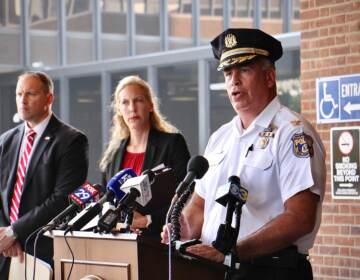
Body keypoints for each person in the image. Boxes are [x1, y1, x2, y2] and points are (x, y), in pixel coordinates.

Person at [161, 28, 326, 280]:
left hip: (271, 270)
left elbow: (300, 217)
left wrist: (233, 251)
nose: (234, 80)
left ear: (269, 77)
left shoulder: (293, 133)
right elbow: (199, 205)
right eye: (228, 73)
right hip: (216, 269)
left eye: (244, 70)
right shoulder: (220, 137)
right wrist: (183, 226)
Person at [0, 71, 89, 277]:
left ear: (49, 98)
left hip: (42, 251)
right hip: (6, 251)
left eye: (30, 94)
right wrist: (6, 233)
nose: (22, 100)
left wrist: (16, 232)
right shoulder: (6, 140)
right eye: (19, 94)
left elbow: (63, 199)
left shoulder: (71, 141)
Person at [100, 75, 190, 237]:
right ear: (119, 109)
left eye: (138, 100)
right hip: (119, 241)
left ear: (150, 105)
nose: (132, 108)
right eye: (125, 102)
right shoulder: (112, 153)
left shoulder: (172, 143)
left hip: (158, 239)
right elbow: (105, 200)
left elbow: (186, 195)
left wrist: (147, 220)